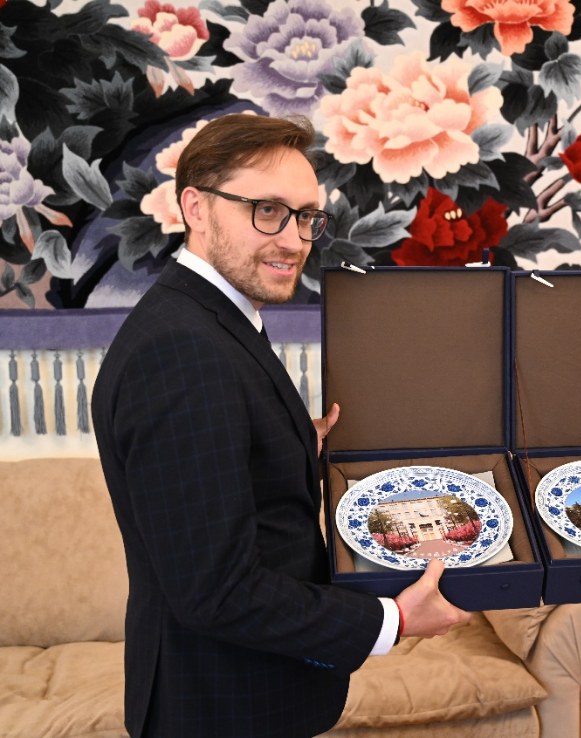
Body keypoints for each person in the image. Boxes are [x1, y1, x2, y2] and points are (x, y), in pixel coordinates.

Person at [92, 114, 470, 738]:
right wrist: (394, 620)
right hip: (219, 707)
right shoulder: (181, 351)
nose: (294, 240)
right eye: (267, 211)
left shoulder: (213, 319)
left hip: (253, 695)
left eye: (306, 217)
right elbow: (217, 591)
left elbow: (223, 468)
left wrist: (290, 441)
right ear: (196, 208)